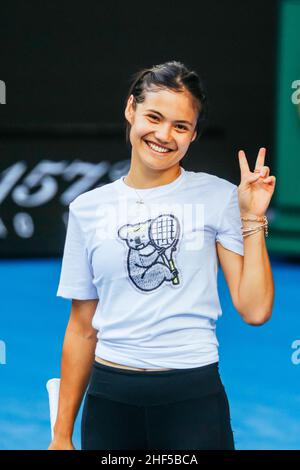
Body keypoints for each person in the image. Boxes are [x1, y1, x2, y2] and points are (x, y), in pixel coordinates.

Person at [48, 60, 276, 451]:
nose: (163, 135)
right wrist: (62, 435)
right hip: (110, 403)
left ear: (193, 135)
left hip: (193, 399)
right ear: (130, 110)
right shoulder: (87, 209)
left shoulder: (219, 196)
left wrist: (252, 217)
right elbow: (82, 327)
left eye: (180, 126)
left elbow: (254, 310)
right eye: (154, 116)